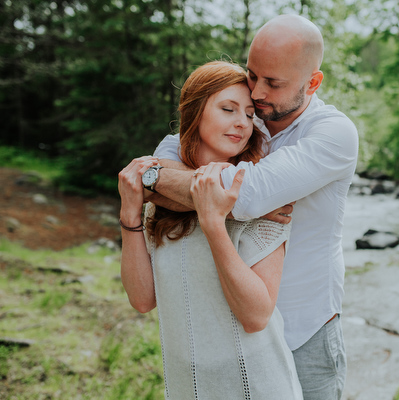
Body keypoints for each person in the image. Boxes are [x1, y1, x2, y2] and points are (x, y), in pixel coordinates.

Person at [146, 14, 359, 400]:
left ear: (312, 82)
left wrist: (162, 184)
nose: (257, 91)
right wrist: (160, 182)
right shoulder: (246, 116)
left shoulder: (334, 134)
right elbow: (162, 159)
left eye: (273, 82)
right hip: (236, 329)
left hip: (303, 329)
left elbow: (243, 198)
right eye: (252, 74)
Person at [118, 61, 303, 399]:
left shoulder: (261, 199)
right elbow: (142, 300)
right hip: (187, 386)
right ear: (195, 114)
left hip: (257, 385)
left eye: (249, 114)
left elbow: (256, 317)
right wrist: (130, 213)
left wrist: (215, 223)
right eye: (227, 109)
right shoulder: (164, 203)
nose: (241, 123)